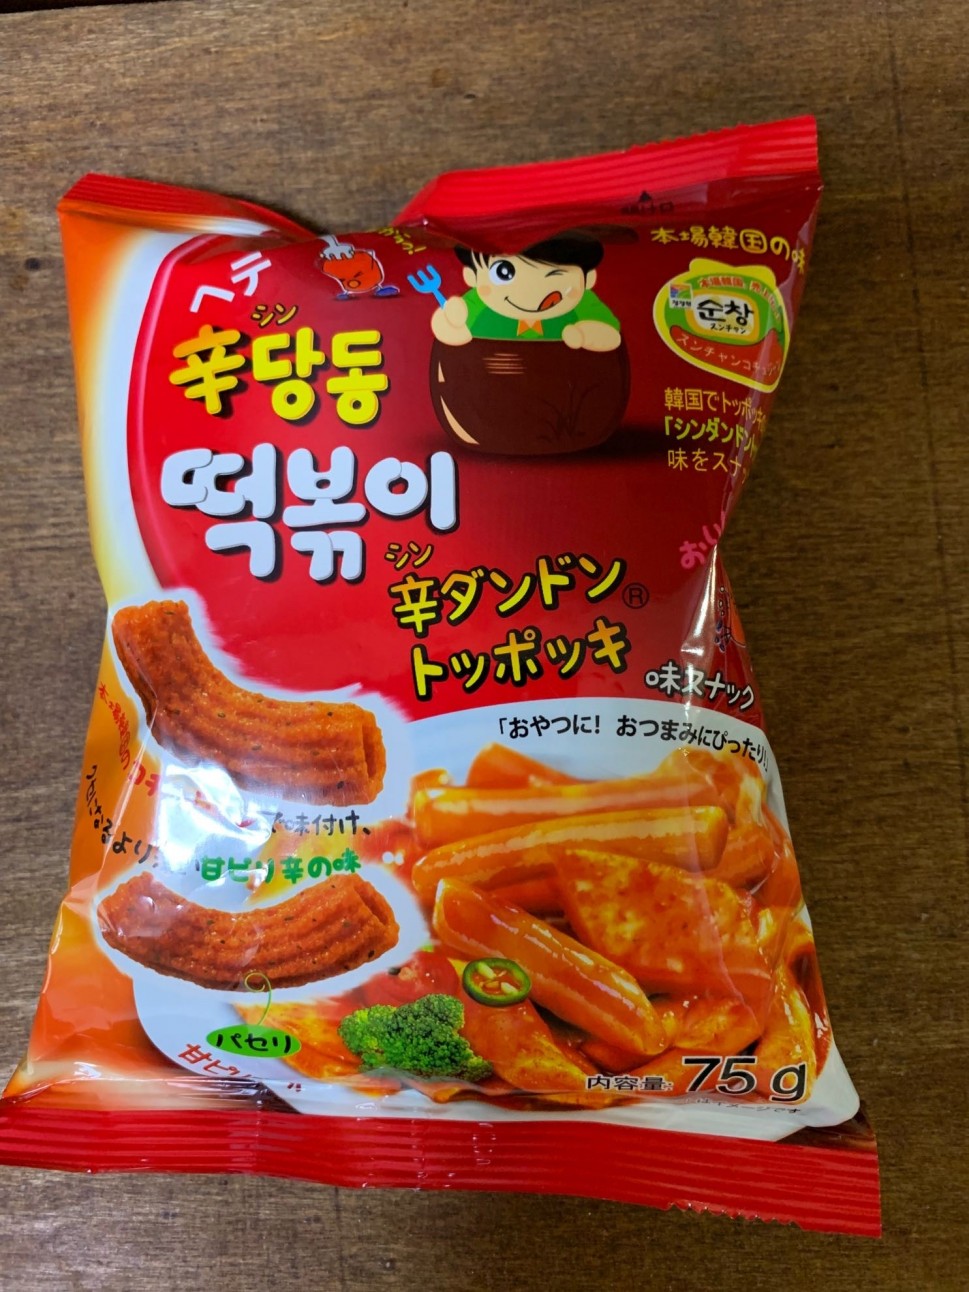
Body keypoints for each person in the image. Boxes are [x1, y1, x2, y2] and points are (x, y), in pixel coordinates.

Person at [431, 237, 621, 350]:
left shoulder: (584, 304)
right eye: (504, 273)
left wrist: (587, 335)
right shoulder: (476, 303)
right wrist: (450, 323)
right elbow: (453, 329)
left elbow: (610, 334)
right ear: (471, 276)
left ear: (588, 280)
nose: (532, 296)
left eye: (555, 276)